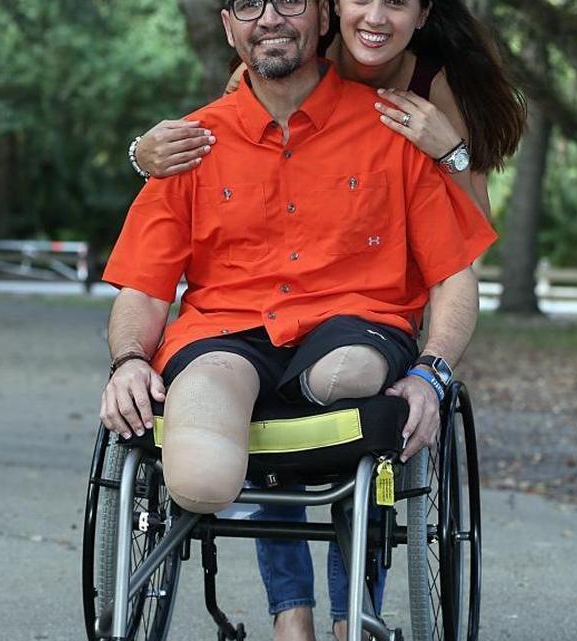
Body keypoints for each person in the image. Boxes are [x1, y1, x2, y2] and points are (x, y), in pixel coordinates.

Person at [100, 0, 497, 638]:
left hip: (353, 328)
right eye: (247, 4)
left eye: (289, 0)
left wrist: (432, 372)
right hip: (225, 335)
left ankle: (348, 619)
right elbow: (143, 288)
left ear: (320, 18)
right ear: (229, 26)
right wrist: (127, 362)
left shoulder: (399, 124)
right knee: (200, 468)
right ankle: (291, 615)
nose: (269, 17)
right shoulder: (193, 141)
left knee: (350, 374)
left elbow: (456, 271)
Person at [130, 0, 525, 217]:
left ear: (422, 14)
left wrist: (449, 152)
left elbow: (476, 224)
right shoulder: (289, 60)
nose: (375, 17)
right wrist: (141, 155)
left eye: (395, 2)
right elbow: (218, 151)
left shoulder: (437, 87)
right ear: (334, 6)